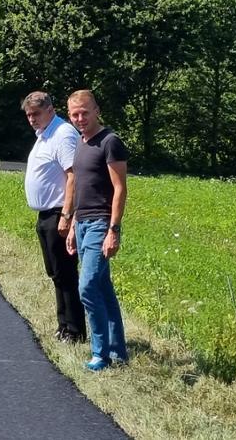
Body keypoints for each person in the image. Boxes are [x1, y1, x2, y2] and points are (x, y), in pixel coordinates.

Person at [62, 89, 128, 370]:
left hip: (102, 223)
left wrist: (114, 229)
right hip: (84, 222)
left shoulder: (110, 142)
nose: (80, 118)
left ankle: (100, 353)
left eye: (85, 113)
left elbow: (120, 188)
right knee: (102, 287)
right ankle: (118, 352)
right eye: (75, 114)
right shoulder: (81, 142)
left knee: (87, 286)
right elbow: (79, 187)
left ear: (97, 110)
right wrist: (73, 223)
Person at [21, 91, 85, 343]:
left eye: (36, 114)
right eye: (28, 115)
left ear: (50, 110)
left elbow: (74, 176)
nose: (32, 119)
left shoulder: (62, 134)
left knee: (66, 274)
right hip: (46, 215)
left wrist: (67, 216)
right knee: (56, 273)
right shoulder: (44, 135)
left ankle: (75, 330)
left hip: (60, 213)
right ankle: (64, 324)